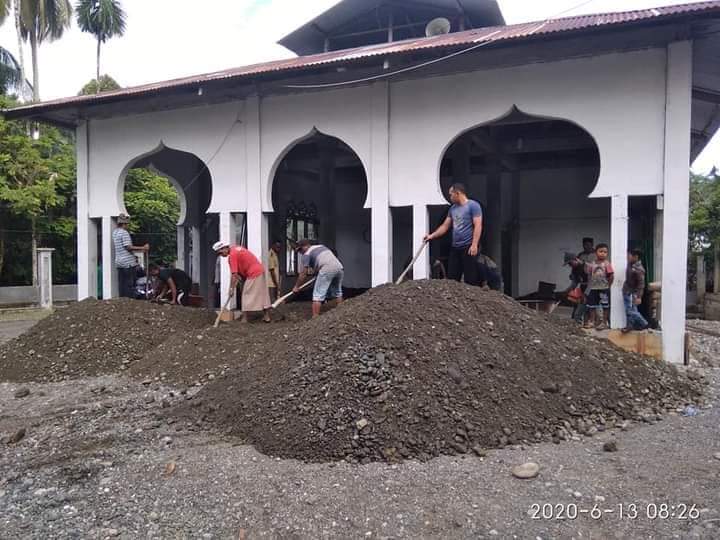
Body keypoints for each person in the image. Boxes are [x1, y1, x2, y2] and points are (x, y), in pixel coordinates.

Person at [423, 183, 483, 285]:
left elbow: (478, 225)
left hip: (468, 247)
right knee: (452, 278)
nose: (450, 197)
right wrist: (431, 236)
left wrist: (474, 244)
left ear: (457, 193)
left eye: (451, 195)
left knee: (471, 278)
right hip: (455, 247)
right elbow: (445, 226)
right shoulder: (453, 209)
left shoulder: (473, 206)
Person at [212, 241, 271, 323]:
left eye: (221, 252)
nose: (221, 255)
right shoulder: (236, 249)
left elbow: (234, 275)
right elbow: (238, 274)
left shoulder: (232, 255)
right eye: (219, 254)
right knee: (262, 294)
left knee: (246, 294)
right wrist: (238, 283)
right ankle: (267, 316)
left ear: (224, 247)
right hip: (259, 270)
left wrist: (231, 289)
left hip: (253, 273)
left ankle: (244, 318)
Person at [293, 239, 344, 318]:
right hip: (339, 267)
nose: (300, 252)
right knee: (337, 292)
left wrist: (296, 286)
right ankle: (342, 311)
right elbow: (321, 262)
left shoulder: (306, 254)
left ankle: (315, 317)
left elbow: (303, 273)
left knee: (317, 295)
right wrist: (318, 273)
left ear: (305, 246)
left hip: (327, 268)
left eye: (300, 250)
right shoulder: (321, 246)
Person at [112, 214, 149, 299]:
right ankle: (129, 301)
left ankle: (122, 299)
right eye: (127, 224)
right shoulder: (124, 233)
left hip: (119, 262)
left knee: (122, 284)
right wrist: (143, 248)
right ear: (125, 224)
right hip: (128, 263)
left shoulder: (115, 232)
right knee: (130, 284)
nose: (128, 226)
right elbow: (128, 247)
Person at [584, 243, 614, 330]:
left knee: (605, 306)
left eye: (605, 252)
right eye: (601, 251)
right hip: (593, 289)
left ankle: (604, 323)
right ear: (596, 252)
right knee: (592, 305)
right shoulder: (592, 264)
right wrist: (588, 289)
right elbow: (589, 276)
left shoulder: (607, 264)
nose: (603, 253)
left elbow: (611, 276)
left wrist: (608, 285)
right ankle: (592, 322)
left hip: (604, 289)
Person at [622, 248, 649, 333]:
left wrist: (639, 297)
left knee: (630, 310)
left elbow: (641, 284)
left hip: (632, 292)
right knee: (632, 309)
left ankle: (644, 323)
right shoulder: (630, 264)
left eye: (629, 255)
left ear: (635, 256)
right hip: (627, 290)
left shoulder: (639, 269)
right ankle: (630, 326)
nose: (627, 257)